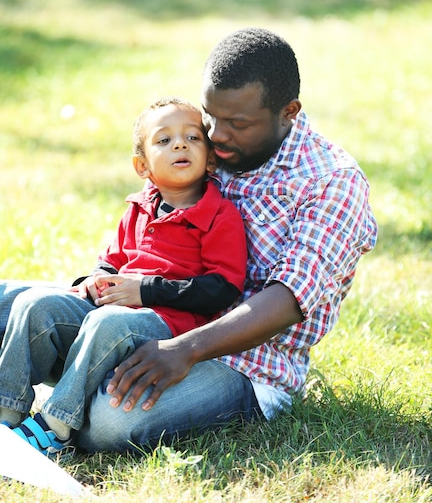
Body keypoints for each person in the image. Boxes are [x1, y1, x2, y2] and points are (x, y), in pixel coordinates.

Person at [68, 27, 377, 453]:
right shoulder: (213, 150)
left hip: (245, 365)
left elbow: (287, 300)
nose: (216, 134)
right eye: (210, 117)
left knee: (106, 425)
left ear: (289, 112)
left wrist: (183, 350)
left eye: (238, 124)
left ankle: (67, 397)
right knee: (15, 306)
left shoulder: (331, 182)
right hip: (153, 314)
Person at [0, 97, 247, 457]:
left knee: (108, 322)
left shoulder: (219, 215)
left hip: (166, 325)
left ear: (210, 158)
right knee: (33, 304)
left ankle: (56, 427)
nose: (179, 144)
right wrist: (95, 278)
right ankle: (8, 410)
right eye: (164, 140)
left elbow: (222, 289)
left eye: (193, 138)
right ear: (142, 165)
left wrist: (144, 291)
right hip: (113, 310)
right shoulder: (138, 209)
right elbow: (112, 262)